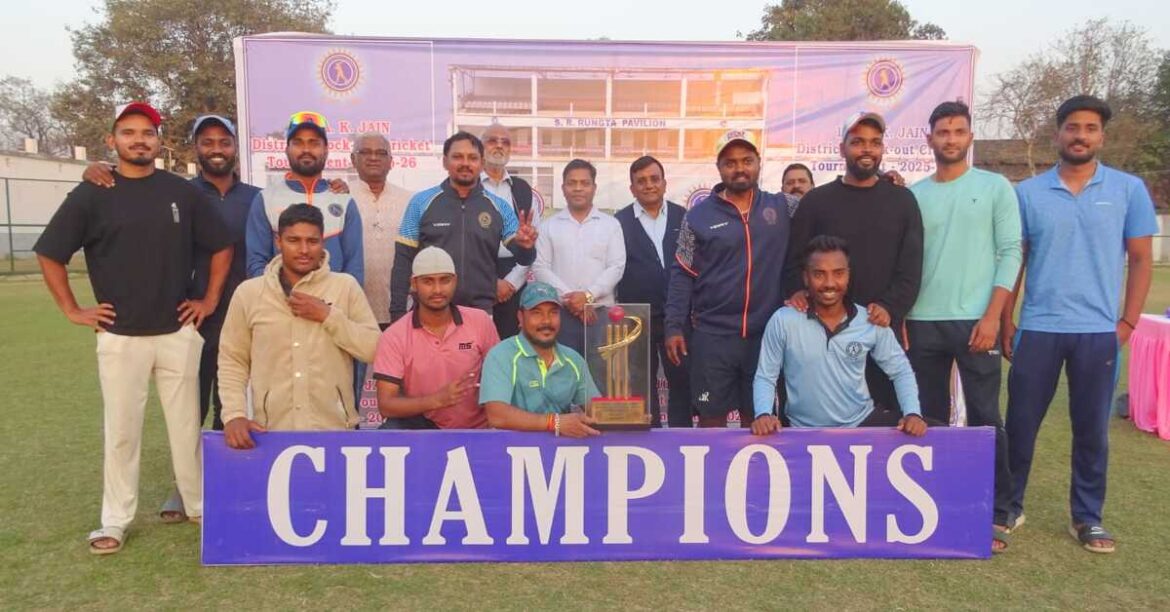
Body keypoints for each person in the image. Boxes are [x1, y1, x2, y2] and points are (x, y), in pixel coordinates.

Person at [34, 102, 234, 554]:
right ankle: (115, 519)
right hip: (120, 335)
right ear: (113, 140)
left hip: (175, 331)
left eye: (148, 132)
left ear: (159, 141)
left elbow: (222, 245)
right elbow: (50, 254)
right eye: (129, 132)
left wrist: (210, 299)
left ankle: (201, 509)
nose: (139, 140)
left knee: (187, 427)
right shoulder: (92, 192)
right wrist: (72, 309)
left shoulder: (181, 192)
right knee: (122, 430)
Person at [1003, 95, 1158, 554]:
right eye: (1073, 127)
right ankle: (1008, 506)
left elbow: (1141, 257)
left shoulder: (1127, 190)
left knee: (1091, 426)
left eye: (1090, 128)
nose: (1080, 135)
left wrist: (1128, 320)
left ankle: (1087, 517)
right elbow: (1016, 259)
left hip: (1097, 331)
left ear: (1101, 136)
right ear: (1058, 134)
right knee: (1021, 422)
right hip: (1038, 327)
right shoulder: (1028, 193)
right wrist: (1008, 319)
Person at [905, 100, 1022, 553]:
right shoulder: (915, 194)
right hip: (922, 322)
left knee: (985, 416)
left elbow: (1011, 251)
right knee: (927, 418)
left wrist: (993, 315)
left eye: (958, 131)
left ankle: (999, 508)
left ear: (970, 137)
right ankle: (937, 500)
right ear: (929, 138)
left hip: (977, 322)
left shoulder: (995, 187)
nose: (950, 139)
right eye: (942, 132)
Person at [783, 111, 923, 414]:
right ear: (842, 148)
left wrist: (890, 308)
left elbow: (910, 269)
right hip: (824, 335)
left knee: (885, 422)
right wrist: (798, 293)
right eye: (858, 142)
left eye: (875, 142)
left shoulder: (903, 202)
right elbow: (795, 262)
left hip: (880, 329)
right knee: (826, 419)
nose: (867, 149)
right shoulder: (816, 202)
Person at [218, 204, 380, 450]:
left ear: (323, 242)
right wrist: (234, 414)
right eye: (294, 240)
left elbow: (374, 349)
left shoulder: (345, 287)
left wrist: (328, 316)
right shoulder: (249, 293)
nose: (304, 250)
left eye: (312, 241)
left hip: (334, 430)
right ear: (278, 241)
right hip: (270, 432)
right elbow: (232, 360)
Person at [665, 130, 797, 428]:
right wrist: (674, 325)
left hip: (765, 335)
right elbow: (682, 275)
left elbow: (827, 207)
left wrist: (884, 180)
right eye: (731, 162)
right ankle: (712, 476)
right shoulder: (696, 217)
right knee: (711, 419)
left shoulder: (783, 207)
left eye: (747, 160)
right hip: (712, 336)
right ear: (719, 168)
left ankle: (754, 476)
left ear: (759, 163)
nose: (739, 168)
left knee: (759, 419)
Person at [752, 236, 927, 437]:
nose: (829, 283)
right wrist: (763, 414)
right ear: (806, 277)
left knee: (935, 433)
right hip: (801, 431)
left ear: (848, 276)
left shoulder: (869, 320)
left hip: (861, 424)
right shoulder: (783, 320)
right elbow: (766, 375)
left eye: (838, 273)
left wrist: (913, 413)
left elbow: (901, 371)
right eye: (819, 274)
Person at [390, 131, 538, 322]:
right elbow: (403, 261)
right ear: (445, 162)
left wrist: (526, 247)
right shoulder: (421, 202)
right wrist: (397, 313)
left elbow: (523, 257)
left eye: (473, 158)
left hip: (480, 314)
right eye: (458, 157)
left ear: (481, 163)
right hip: (431, 313)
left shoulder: (499, 206)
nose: (465, 163)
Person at [374, 247, 500, 429]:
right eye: (428, 282)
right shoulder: (394, 336)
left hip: (478, 431)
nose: (437, 289)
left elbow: (502, 379)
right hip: (426, 429)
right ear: (414, 284)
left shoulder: (480, 321)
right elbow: (386, 405)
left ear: (454, 281)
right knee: (389, 431)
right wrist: (436, 400)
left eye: (444, 280)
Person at [615, 155, 693, 427]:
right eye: (641, 181)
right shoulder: (619, 222)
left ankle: (682, 441)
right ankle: (651, 442)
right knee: (642, 388)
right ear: (632, 188)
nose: (649, 185)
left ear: (664, 183)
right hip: (636, 318)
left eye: (654, 179)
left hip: (678, 318)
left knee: (683, 383)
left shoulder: (685, 218)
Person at [245, 111, 364, 283]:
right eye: (298, 143)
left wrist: (337, 305)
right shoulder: (265, 199)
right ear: (287, 149)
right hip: (279, 304)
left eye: (314, 143)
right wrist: (279, 300)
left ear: (326, 149)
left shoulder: (344, 201)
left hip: (332, 305)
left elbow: (354, 268)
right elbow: (256, 263)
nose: (306, 150)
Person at [479, 282, 602, 438]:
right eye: (536, 313)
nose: (546, 321)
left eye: (553, 313)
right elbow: (497, 415)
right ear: (520, 317)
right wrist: (554, 423)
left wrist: (631, 413)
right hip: (511, 454)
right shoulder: (501, 355)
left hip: (563, 455)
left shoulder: (573, 359)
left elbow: (596, 409)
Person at [532, 158, 626, 352]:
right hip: (561, 315)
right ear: (563, 187)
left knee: (600, 377)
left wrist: (588, 296)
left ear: (594, 187)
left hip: (601, 314)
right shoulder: (549, 225)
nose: (578, 188)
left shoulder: (610, 225)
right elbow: (540, 267)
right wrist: (573, 301)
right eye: (572, 183)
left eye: (584, 183)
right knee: (564, 376)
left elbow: (616, 266)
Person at [348, 131, 413, 331]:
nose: (374, 157)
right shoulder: (340, 197)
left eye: (381, 153)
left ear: (391, 161)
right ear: (353, 159)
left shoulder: (410, 200)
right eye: (365, 152)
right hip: (352, 310)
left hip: (401, 310)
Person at [480, 123, 536, 339]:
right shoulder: (469, 185)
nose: (499, 146)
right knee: (471, 347)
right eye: (493, 140)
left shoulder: (521, 189)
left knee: (510, 345)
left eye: (506, 142)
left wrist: (510, 283)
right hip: (477, 276)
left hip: (514, 278)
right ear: (481, 147)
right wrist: (489, 282)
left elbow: (530, 243)